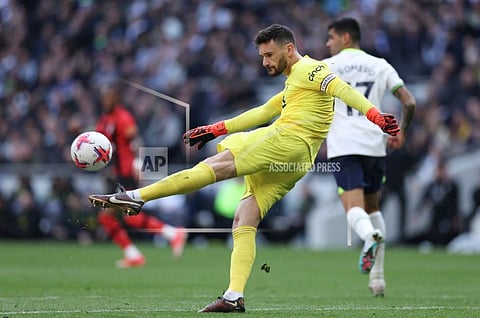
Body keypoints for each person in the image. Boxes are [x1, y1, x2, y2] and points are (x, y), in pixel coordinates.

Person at [89, 24, 399, 312]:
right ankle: (234, 295)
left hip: (286, 140)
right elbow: (264, 110)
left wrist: (375, 116)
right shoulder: (296, 82)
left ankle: (138, 195)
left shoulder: (311, 68)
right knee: (244, 217)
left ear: (289, 49)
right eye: (262, 56)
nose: (264, 62)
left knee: (216, 165)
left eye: (269, 54)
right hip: (296, 160)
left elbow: (343, 89)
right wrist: (216, 128)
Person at [322, 17, 416, 297]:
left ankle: (368, 238)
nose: (327, 43)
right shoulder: (380, 65)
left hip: (344, 146)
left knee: (353, 207)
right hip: (375, 145)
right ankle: (378, 280)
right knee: (373, 209)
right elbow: (409, 101)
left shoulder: (327, 67)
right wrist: (401, 131)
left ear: (345, 38)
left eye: (331, 38)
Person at [94, 80, 186, 269]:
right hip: (117, 174)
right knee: (111, 216)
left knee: (122, 215)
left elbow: (136, 140)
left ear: (116, 98)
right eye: (103, 96)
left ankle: (169, 235)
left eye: (109, 96)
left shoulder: (123, 118)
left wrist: (138, 162)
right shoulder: (105, 119)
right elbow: (96, 144)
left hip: (128, 172)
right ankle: (144, 248)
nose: (106, 100)